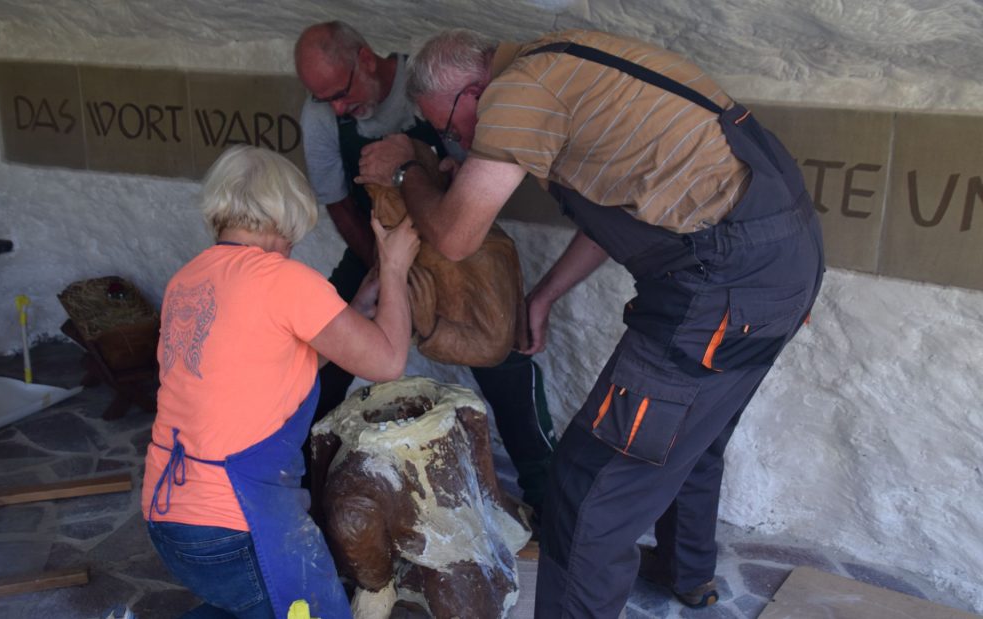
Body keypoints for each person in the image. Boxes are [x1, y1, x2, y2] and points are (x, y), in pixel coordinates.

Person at [357, 29, 825, 618]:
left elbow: (453, 236)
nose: (457, 140)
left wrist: (408, 171)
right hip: (779, 261)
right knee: (690, 436)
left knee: (588, 490)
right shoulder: (561, 65)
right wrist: (547, 293)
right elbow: (625, 200)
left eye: (450, 125)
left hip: (724, 287)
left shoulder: (517, 94)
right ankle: (689, 573)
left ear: (474, 89)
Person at [141, 144, 420, 619]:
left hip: (168, 514)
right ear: (287, 214)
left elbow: (264, 366)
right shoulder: (284, 279)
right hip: (236, 522)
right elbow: (388, 360)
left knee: (245, 606)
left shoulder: (189, 279)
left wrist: (353, 312)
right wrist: (394, 267)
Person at [294, 21, 555, 519]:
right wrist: (389, 276)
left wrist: (423, 163)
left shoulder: (430, 87)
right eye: (322, 98)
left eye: (340, 93)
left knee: (504, 359)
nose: (335, 109)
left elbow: (478, 180)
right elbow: (340, 206)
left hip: (457, 246)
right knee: (321, 353)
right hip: (374, 248)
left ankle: (548, 496)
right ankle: (301, 483)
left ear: (367, 60)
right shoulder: (321, 115)